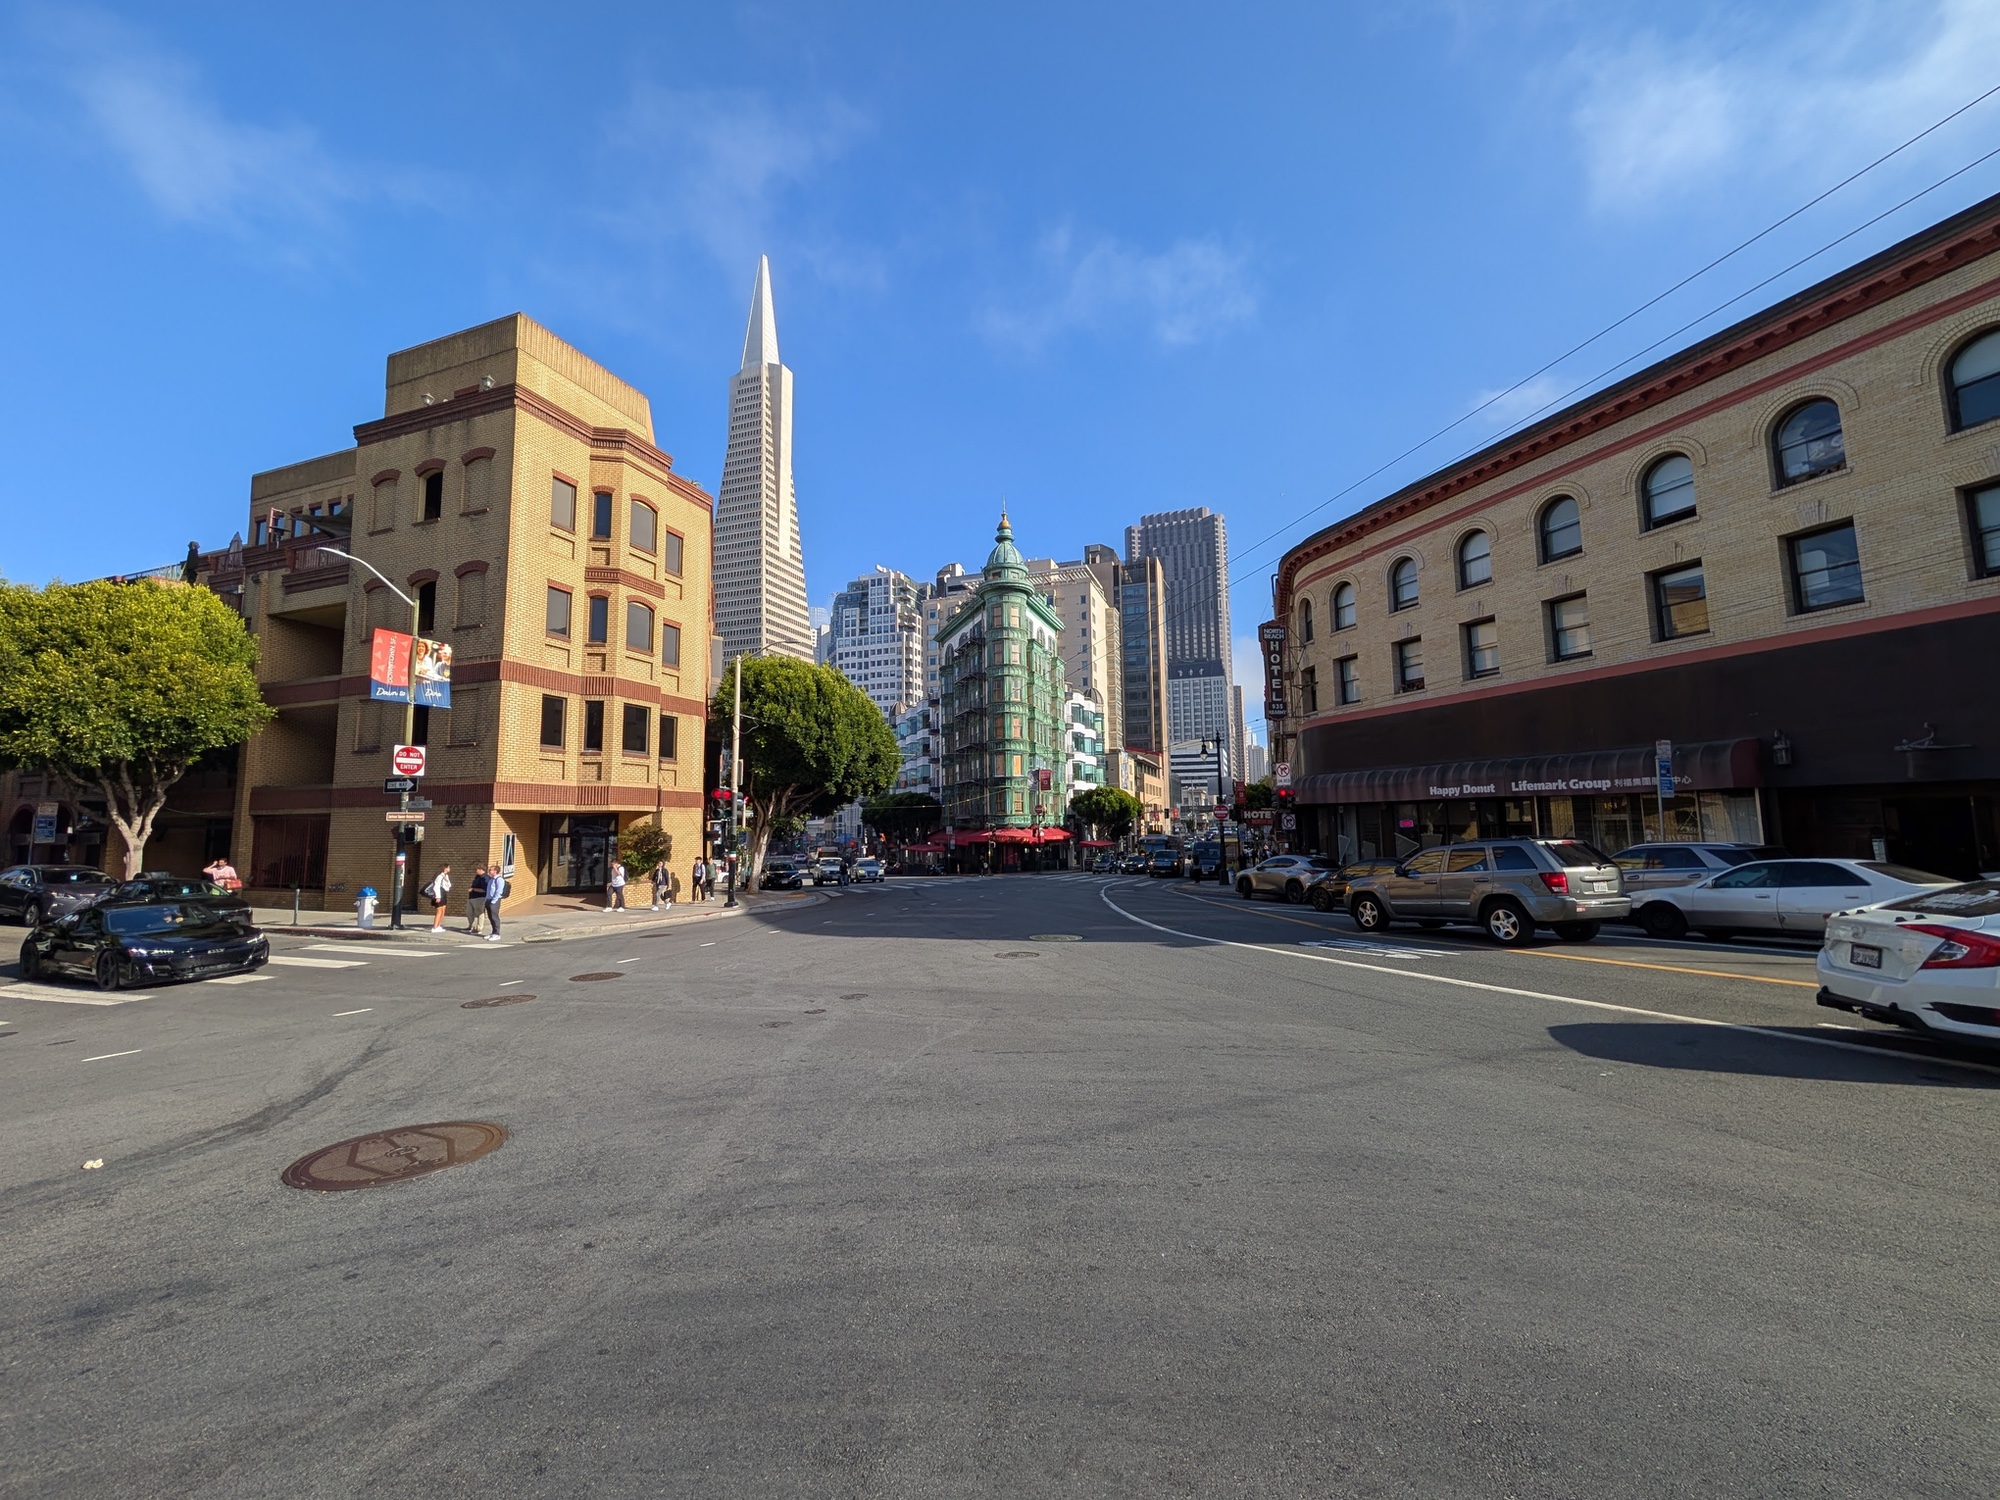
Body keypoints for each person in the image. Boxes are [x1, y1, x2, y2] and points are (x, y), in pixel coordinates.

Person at [423, 863, 452, 932]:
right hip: (439, 893)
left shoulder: (446, 876)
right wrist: (438, 896)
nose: (449, 869)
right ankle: (435, 927)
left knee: (443, 910)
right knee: (439, 911)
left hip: (444, 893)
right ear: (445, 868)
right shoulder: (439, 876)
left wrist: (446, 880)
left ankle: (439, 925)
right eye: (448, 867)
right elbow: (436, 886)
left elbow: (449, 885)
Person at [484, 867, 507, 941]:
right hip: (488, 899)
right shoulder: (491, 879)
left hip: (494, 901)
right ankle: (493, 932)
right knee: (490, 917)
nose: (489, 871)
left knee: (494, 917)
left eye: (491, 870)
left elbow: (498, 891)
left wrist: (493, 901)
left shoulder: (499, 880)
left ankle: (497, 934)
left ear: (496, 871)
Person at [465, 866, 490, 933]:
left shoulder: (485, 878)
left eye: (477, 869)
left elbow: (484, 890)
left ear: (481, 870)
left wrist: (473, 889)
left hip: (479, 898)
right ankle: (471, 926)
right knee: (469, 912)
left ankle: (479, 928)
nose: (475, 871)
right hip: (472, 897)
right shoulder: (477, 876)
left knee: (479, 912)